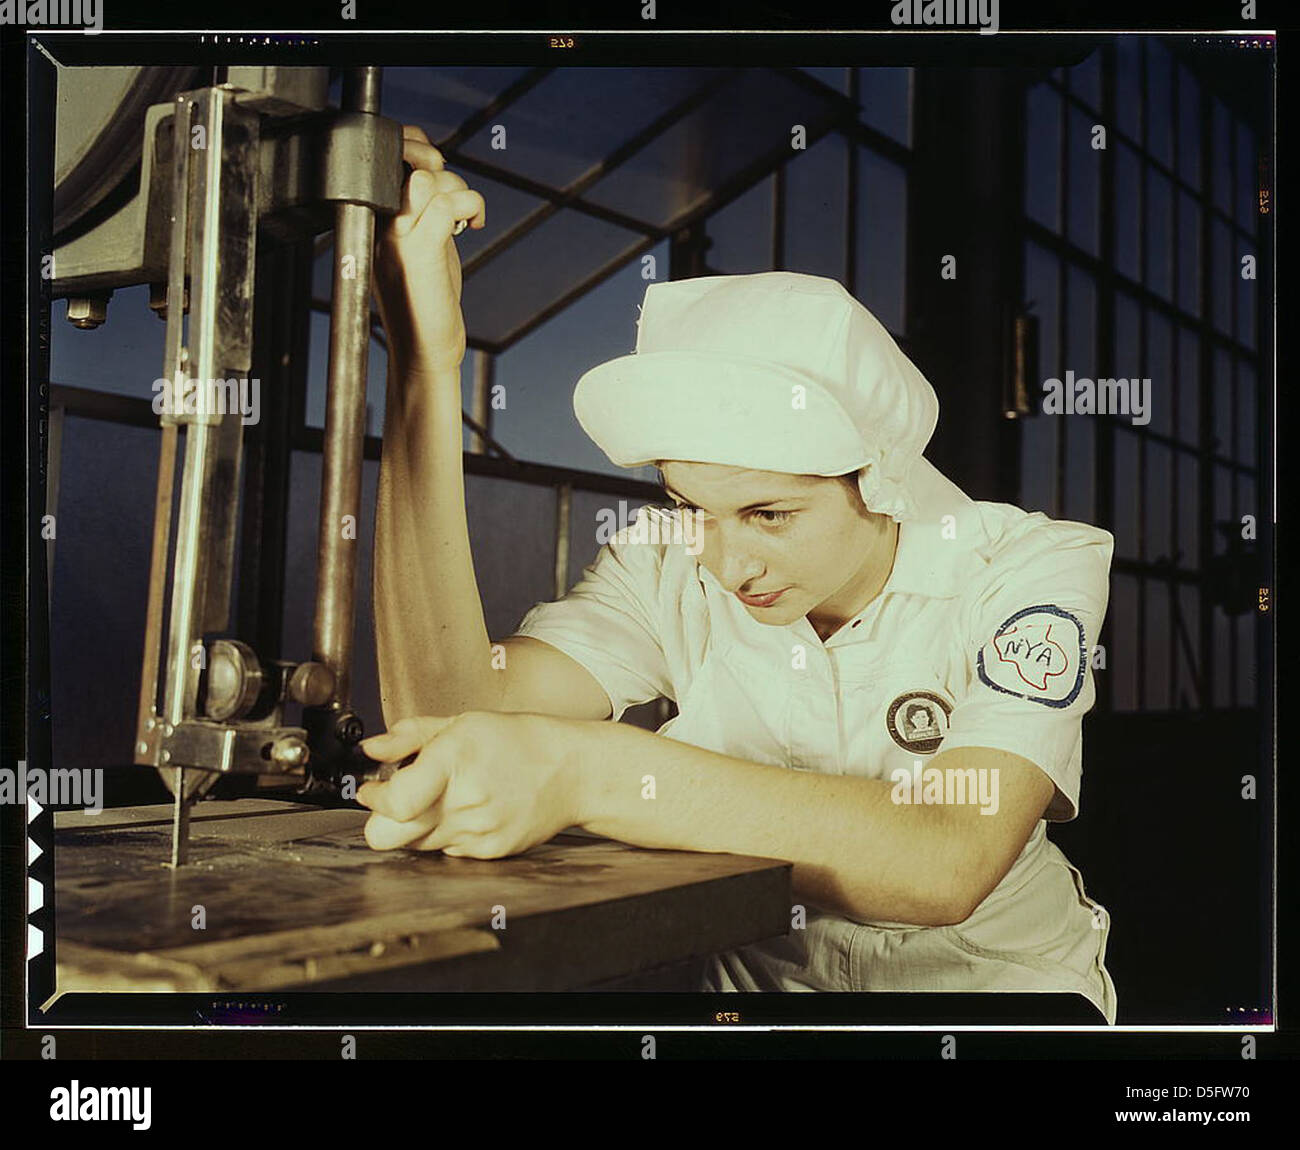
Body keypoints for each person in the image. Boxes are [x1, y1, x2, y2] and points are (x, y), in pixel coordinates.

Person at [362, 126, 1117, 1022]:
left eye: (769, 515)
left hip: (1003, 1000)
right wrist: (424, 365)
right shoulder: (664, 564)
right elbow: (451, 714)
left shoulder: (1029, 566)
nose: (724, 562)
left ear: (878, 479)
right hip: (761, 1007)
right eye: (691, 509)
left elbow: (945, 861)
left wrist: (584, 771)